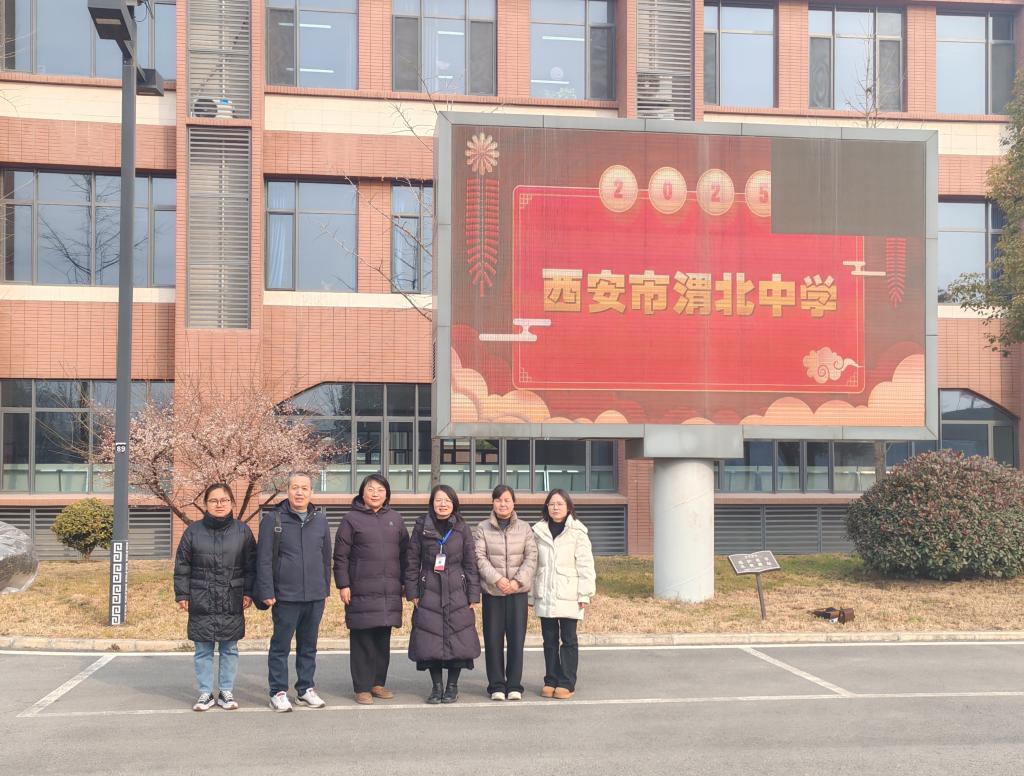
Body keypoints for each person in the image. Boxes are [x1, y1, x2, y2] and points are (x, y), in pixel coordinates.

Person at [173, 483, 256, 711]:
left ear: (232, 503)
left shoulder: (243, 531)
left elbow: (251, 566)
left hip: (232, 596)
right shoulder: (193, 531)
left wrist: (249, 592)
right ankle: (205, 693)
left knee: (230, 648)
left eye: (224, 500)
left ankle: (226, 691)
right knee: (203, 649)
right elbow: (182, 565)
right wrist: (182, 593)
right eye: (214, 501)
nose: (219, 505)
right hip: (201, 597)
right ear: (206, 504)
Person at [256, 472, 332, 712]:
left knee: (309, 646)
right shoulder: (273, 519)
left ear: (311, 492)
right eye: (295, 487)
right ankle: (278, 691)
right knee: (281, 646)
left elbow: (325, 558)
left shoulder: (320, 520)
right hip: (285, 595)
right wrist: (267, 590)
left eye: (305, 488)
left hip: (314, 595)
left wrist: (325, 590)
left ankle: (305, 689)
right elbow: (263, 559)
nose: (300, 492)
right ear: (287, 490)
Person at [333, 474, 409, 705]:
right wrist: (343, 584)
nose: (375, 493)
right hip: (361, 589)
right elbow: (341, 556)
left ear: (387, 494)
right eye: (370, 489)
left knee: (382, 639)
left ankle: (377, 683)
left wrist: (405, 582)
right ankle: (362, 687)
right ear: (362, 492)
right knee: (362, 638)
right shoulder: (351, 519)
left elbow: (405, 554)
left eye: (380, 490)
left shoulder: (395, 518)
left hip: (389, 590)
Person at [405, 484, 481, 703]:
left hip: (458, 590)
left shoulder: (462, 528)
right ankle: (436, 687)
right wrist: (412, 592)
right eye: (438, 500)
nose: (443, 504)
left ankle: (452, 686)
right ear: (432, 503)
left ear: (454, 504)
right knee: (430, 639)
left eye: (447, 500)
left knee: (459, 638)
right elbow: (412, 560)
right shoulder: (422, 526)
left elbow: (470, 562)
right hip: (429, 588)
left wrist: (473, 594)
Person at [530, 488, 596, 700]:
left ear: (568, 507)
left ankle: (567, 682)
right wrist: (531, 594)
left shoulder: (578, 532)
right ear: (546, 507)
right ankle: (551, 679)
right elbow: (533, 565)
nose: (555, 508)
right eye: (551, 504)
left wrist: (585, 594)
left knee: (568, 639)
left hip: (569, 592)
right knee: (549, 640)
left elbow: (586, 565)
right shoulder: (538, 531)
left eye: (560, 504)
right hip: (545, 591)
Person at [473, 484, 537, 701]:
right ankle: (496, 685)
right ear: (493, 502)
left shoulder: (525, 528)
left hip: (517, 593)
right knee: (493, 640)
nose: (503, 504)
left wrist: (516, 582)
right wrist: (498, 580)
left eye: (507, 500)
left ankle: (514, 685)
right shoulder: (482, 528)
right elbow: (479, 557)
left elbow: (531, 557)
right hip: (493, 592)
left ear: (514, 503)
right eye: (499, 500)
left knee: (517, 640)